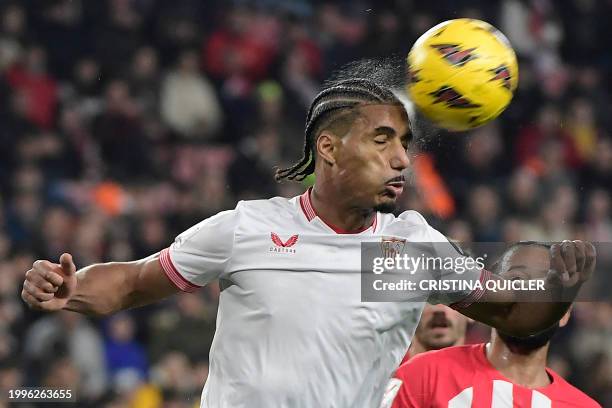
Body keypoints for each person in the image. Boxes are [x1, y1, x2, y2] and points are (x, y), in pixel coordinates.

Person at [21, 60, 596, 408]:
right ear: (329, 146)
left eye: (405, 145)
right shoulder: (249, 227)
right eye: (382, 141)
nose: (401, 160)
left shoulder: (407, 251)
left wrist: (562, 291)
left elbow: (512, 315)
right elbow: (131, 282)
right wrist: (71, 288)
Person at [387, 242, 601, 408]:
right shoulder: (423, 375)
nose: (531, 297)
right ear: (491, 296)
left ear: (565, 314)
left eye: (548, 289)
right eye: (516, 281)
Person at [399, 303, 470, 366]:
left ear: (470, 315)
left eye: (451, 300)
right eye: (428, 301)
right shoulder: (390, 373)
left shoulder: (480, 374)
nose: (439, 309)